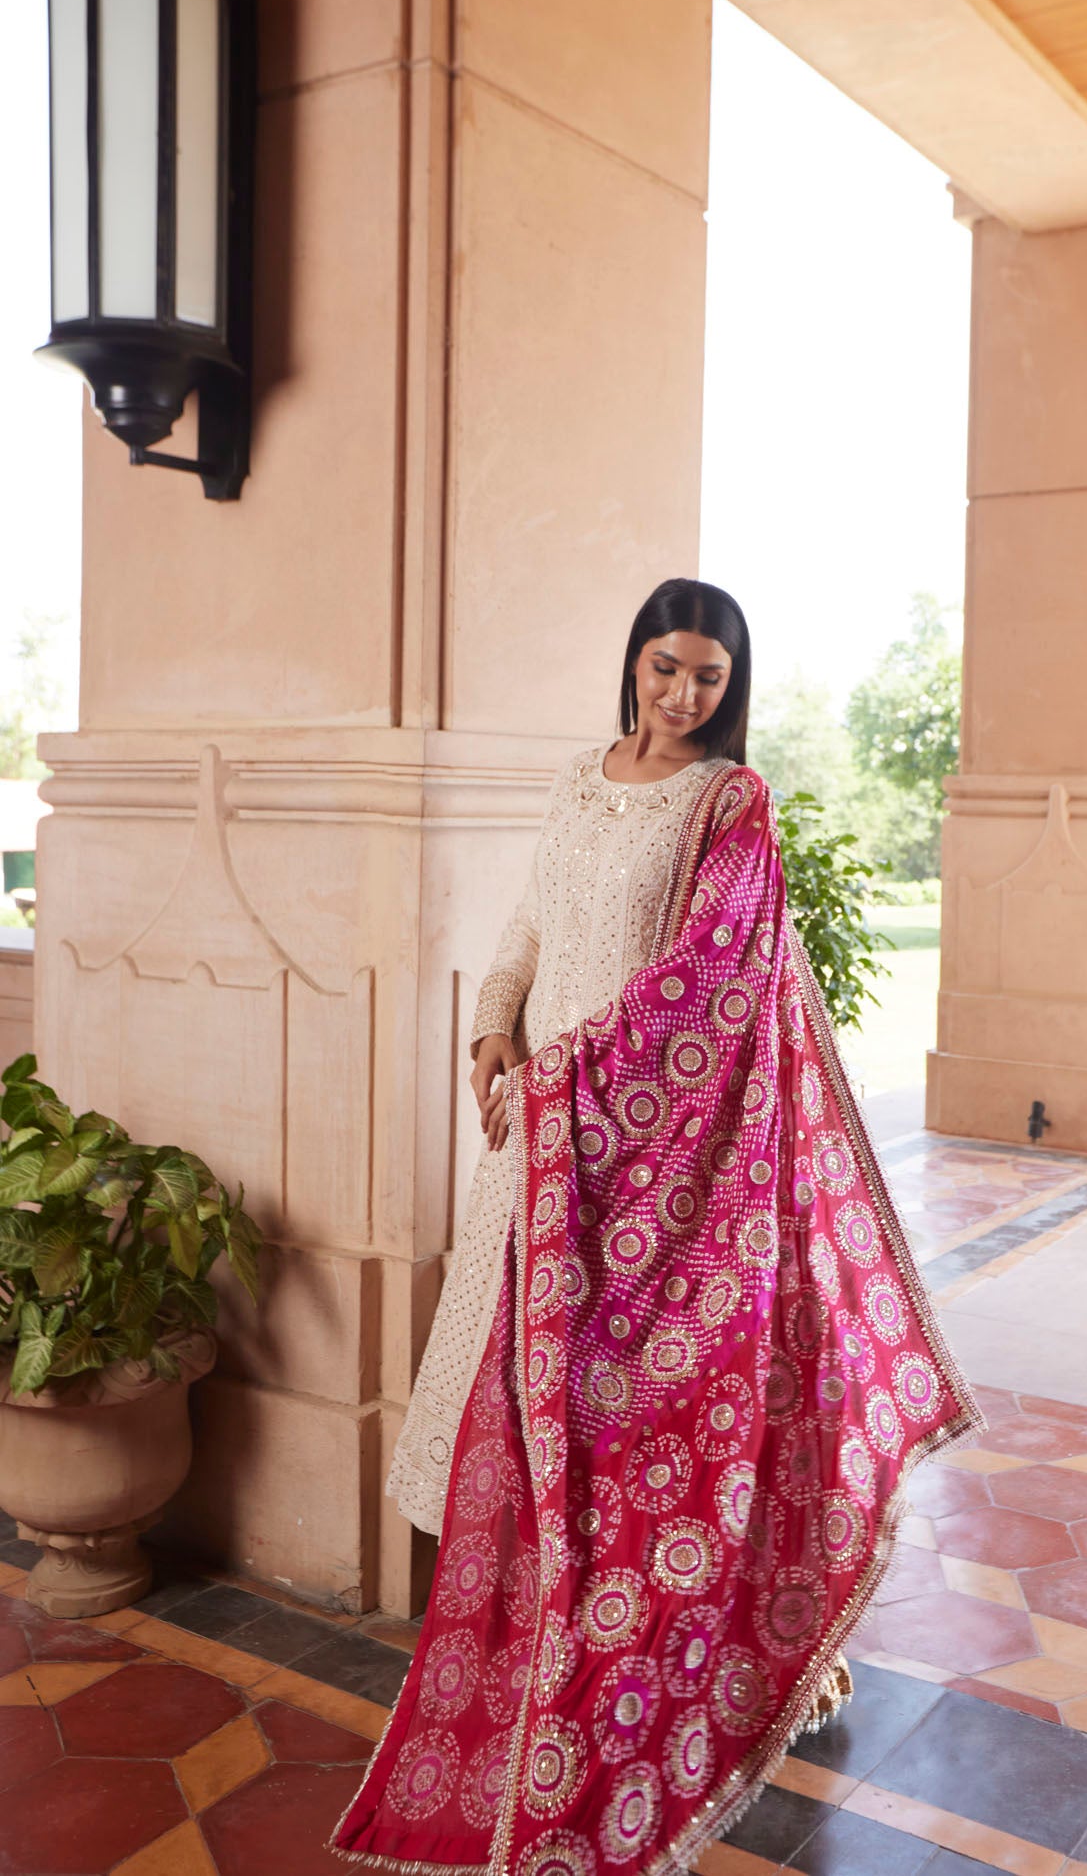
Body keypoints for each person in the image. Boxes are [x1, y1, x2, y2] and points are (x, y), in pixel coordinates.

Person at [335, 577, 982, 1875]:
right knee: (521, 1407)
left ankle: (719, 1655)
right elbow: (528, 924)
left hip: (651, 1170)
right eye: (665, 669)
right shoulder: (583, 779)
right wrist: (490, 1033)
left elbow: (709, 980)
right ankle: (545, 1644)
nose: (682, 696)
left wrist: (565, 1077)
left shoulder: (728, 805)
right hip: (543, 1150)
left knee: (645, 1421)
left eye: (708, 680)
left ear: (731, 691)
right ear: (631, 660)